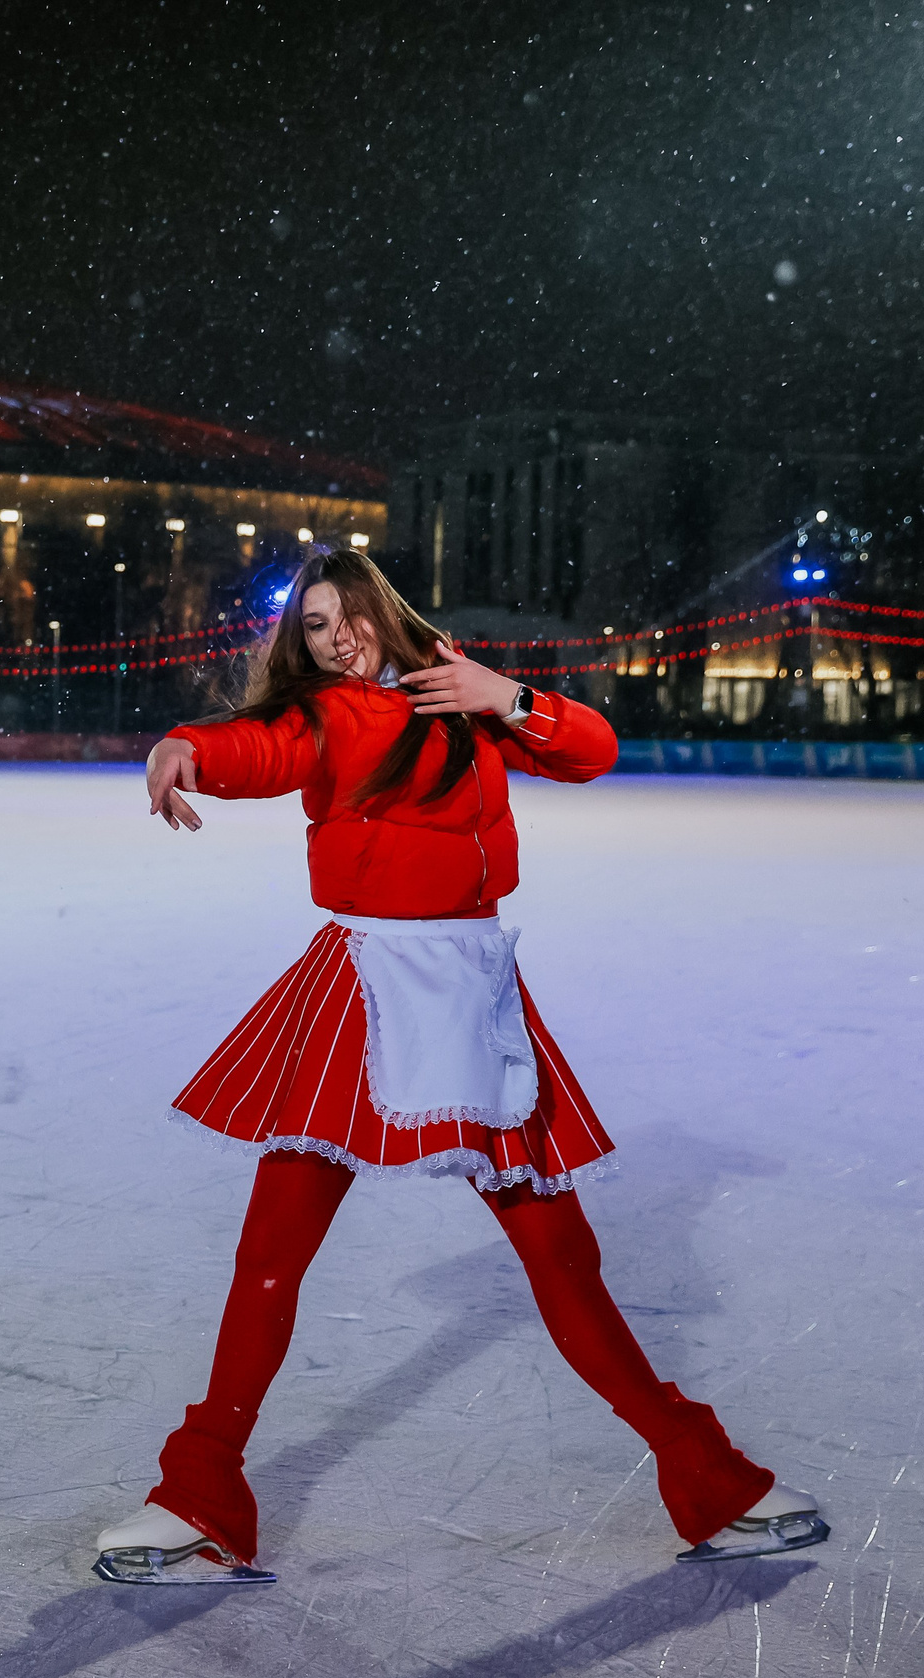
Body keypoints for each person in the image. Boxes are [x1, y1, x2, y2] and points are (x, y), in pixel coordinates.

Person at [92, 550, 824, 1587]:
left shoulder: (464, 700)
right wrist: (183, 745)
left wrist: (505, 695)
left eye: (347, 616)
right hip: (359, 989)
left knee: (561, 1257)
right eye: (312, 625)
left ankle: (710, 1479)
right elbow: (256, 746)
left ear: (387, 615)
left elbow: (593, 751)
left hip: (474, 992)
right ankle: (199, 1491)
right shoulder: (329, 716)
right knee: (272, 1251)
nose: (335, 637)